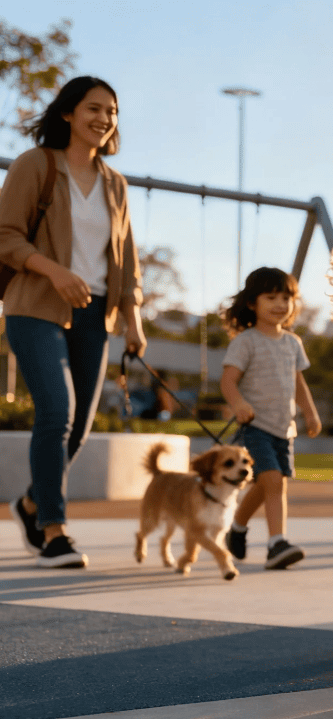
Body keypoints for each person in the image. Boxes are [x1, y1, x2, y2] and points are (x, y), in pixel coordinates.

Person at [0, 76, 146, 568]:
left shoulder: (115, 184)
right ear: (67, 113)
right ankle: (54, 531)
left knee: (80, 426)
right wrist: (54, 271)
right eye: (94, 108)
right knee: (56, 411)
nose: (105, 118)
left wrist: (133, 319)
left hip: (96, 314)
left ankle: (30, 503)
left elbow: (126, 261)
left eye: (112, 111)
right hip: (36, 306)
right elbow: (5, 236)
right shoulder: (35, 165)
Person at [220, 267, 321, 570]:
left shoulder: (292, 343)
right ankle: (277, 543)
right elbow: (227, 380)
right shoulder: (245, 341)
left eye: (286, 298)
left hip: (283, 428)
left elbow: (298, 382)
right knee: (274, 482)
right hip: (255, 427)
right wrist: (238, 403)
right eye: (271, 297)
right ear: (252, 303)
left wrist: (310, 411)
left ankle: (237, 529)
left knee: (267, 486)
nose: (280, 304)